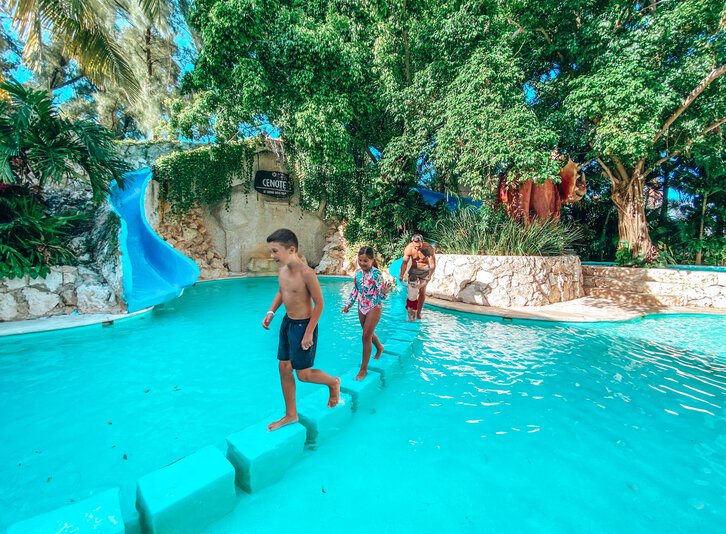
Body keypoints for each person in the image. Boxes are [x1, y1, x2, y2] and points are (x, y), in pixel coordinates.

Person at [262, 228, 340, 431]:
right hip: (287, 323)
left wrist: (308, 333)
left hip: (304, 326)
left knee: (303, 375)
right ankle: (291, 415)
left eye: (275, 251)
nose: (272, 256)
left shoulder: (307, 273)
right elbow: (282, 292)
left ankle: (333, 383)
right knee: (284, 367)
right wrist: (271, 312)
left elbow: (320, 304)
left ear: (291, 249)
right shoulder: (283, 272)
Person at [342, 246, 386, 380]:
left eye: (365, 261)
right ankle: (379, 347)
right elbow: (355, 290)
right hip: (361, 307)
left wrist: (384, 291)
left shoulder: (376, 274)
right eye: (360, 260)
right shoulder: (358, 273)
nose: (362, 263)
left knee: (365, 337)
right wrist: (348, 304)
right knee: (368, 334)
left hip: (374, 307)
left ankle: (363, 369)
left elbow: (381, 294)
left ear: (372, 260)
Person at [399, 234, 436, 319]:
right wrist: (401, 275)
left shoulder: (428, 248)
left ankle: (418, 314)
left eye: (419, 246)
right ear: (412, 242)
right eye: (415, 246)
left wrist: (429, 276)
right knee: (411, 293)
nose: (417, 248)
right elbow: (404, 263)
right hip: (414, 270)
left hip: (425, 270)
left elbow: (432, 264)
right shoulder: (409, 248)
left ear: (422, 242)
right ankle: (411, 314)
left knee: (422, 291)